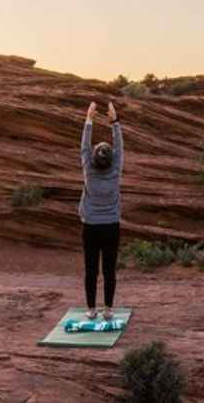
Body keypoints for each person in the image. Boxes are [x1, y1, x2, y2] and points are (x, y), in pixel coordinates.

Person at [79, 100, 124, 321]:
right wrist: (113, 120)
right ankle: (107, 310)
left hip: (90, 226)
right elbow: (120, 146)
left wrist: (89, 118)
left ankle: (91, 310)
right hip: (111, 227)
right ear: (112, 158)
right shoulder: (115, 169)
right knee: (109, 270)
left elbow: (84, 145)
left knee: (91, 270)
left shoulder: (88, 169)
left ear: (93, 156)